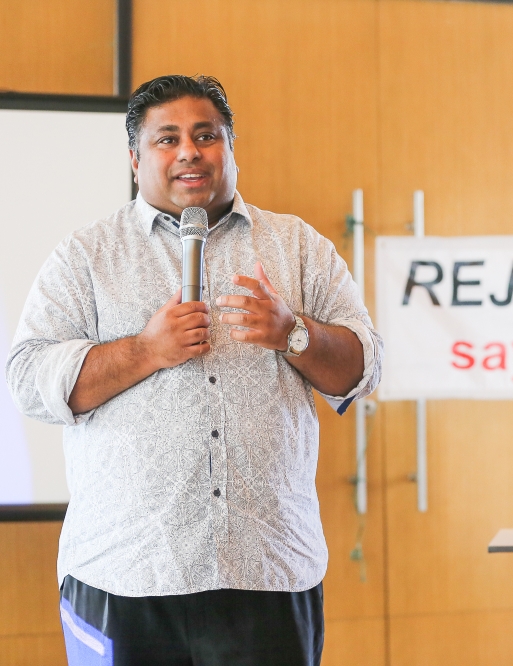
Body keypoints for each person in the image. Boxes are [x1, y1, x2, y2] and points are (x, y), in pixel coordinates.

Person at [5, 74, 382, 666]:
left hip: (267, 569)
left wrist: (295, 334)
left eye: (206, 136)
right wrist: (146, 351)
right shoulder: (85, 255)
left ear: (231, 149)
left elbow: (363, 368)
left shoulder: (297, 247)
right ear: (135, 159)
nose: (189, 151)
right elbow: (27, 379)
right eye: (167, 139)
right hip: (124, 572)